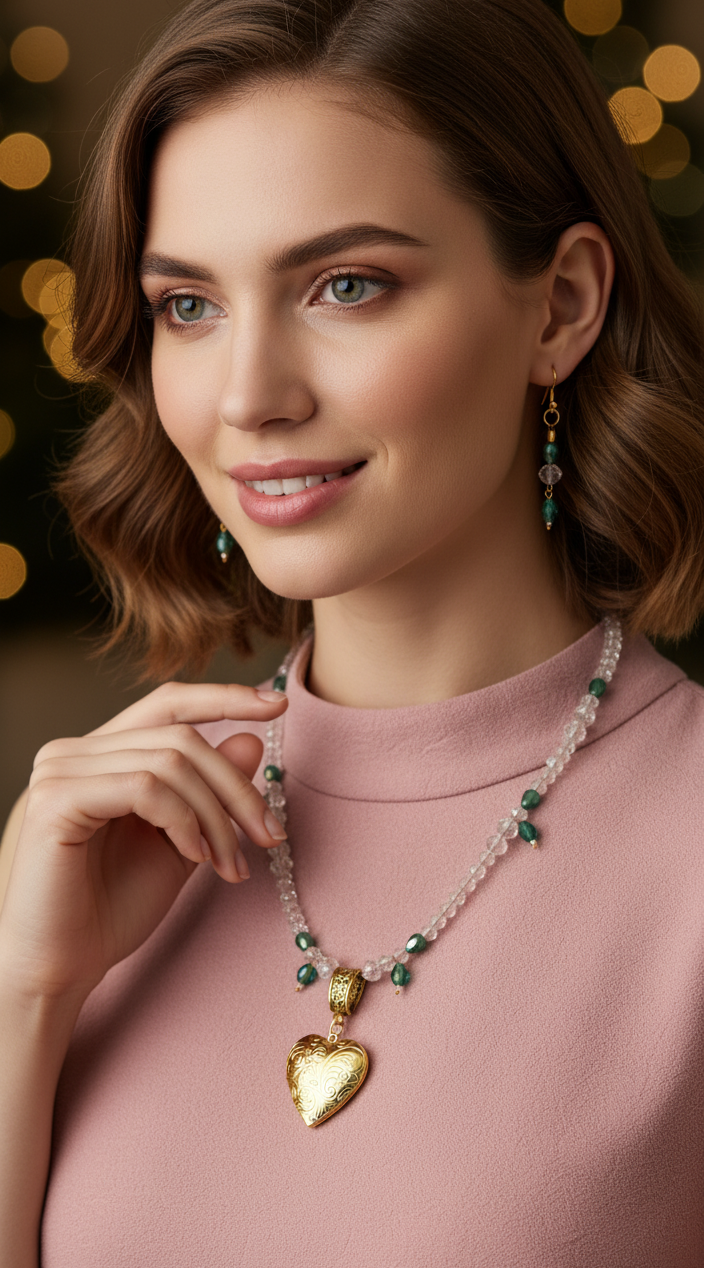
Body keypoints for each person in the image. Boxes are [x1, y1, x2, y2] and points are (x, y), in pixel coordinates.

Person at [2, 0, 704, 1262]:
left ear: (559, 305)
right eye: (188, 307)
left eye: (345, 285)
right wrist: (27, 992)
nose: (248, 396)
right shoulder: (109, 849)